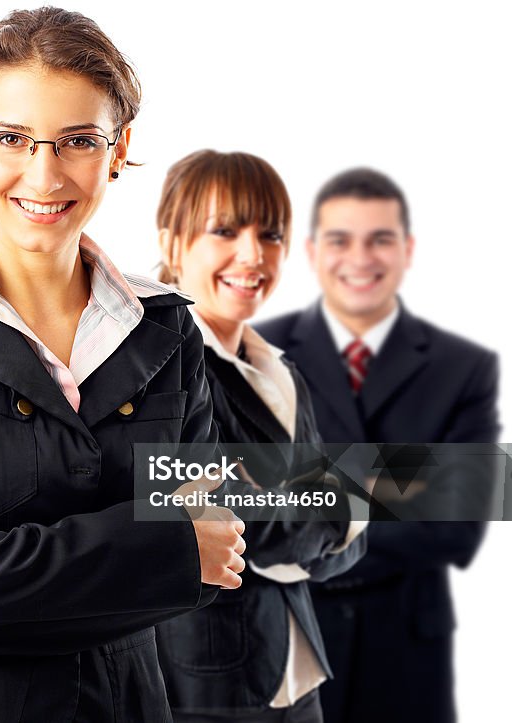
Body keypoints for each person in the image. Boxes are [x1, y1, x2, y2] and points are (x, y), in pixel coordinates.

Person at [0, 8, 247, 722]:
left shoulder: (166, 327)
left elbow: (211, 559)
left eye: (78, 142)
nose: (44, 173)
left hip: (123, 703)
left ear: (118, 149)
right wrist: (160, 552)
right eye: (11, 138)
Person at [254, 168, 500, 723]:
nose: (359, 258)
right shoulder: (260, 350)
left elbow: (460, 524)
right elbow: (243, 503)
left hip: (407, 652)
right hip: (290, 639)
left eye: (380, 239)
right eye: (341, 240)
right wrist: (412, 484)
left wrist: (310, 489)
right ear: (314, 252)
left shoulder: (463, 368)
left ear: (407, 250)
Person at [152, 150, 366, 723]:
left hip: (299, 671)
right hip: (211, 687)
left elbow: (331, 534)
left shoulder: (282, 371)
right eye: (225, 230)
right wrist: (342, 509)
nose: (254, 254)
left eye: (270, 234)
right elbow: (230, 514)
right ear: (173, 242)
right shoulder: (163, 365)